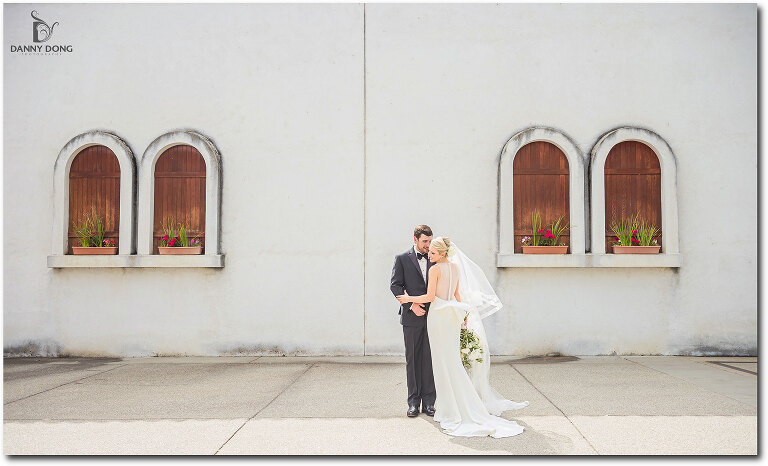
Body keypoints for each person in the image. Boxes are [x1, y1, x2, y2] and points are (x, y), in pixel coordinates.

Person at [396, 236, 529, 438]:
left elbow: (430, 297)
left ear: (441, 253)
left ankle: (450, 409)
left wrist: (408, 299)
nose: (429, 255)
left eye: (432, 252)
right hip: (452, 316)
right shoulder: (455, 268)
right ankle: (460, 404)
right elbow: (457, 294)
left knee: (442, 363)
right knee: (452, 362)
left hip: (439, 316)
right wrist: (463, 314)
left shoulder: (435, 269)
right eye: (429, 251)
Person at [389, 225, 436, 418]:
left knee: (430, 360)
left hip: (434, 318)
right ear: (415, 239)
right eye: (425, 241)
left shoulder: (436, 257)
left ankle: (430, 403)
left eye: (430, 241)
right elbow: (395, 285)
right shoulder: (402, 259)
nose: (428, 245)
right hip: (411, 317)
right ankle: (413, 403)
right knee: (413, 360)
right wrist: (411, 306)